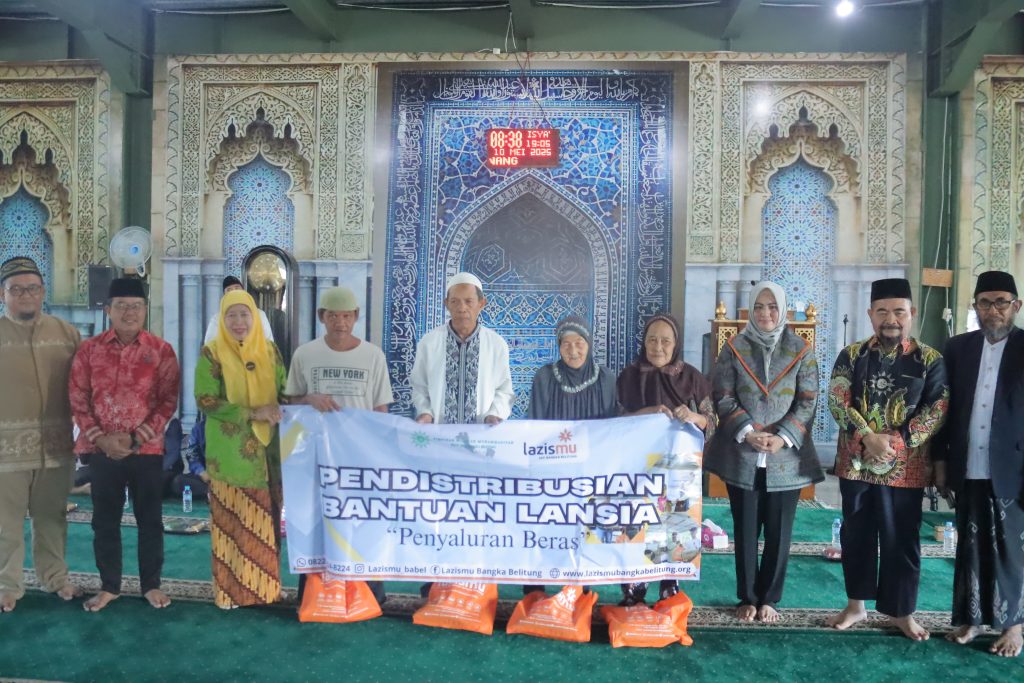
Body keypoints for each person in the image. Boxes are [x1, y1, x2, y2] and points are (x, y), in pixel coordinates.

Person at [825, 277, 948, 641]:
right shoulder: (851, 355)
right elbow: (837, 399)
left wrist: (893, 442)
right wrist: (867, 437)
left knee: (902, 539)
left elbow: (937, 408)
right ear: (870, 314)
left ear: (912, 313)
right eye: (882, 311)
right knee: (856, 535)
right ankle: (855, 606)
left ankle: (901, 612)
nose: (890, 319)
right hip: (857, 463)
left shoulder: (930, 360)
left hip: (905, 466)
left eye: (898, 311)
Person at [704, 281, 823, 623]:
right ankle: (748, 596)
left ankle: (769, 598)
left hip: (785, 457)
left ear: (782, 310)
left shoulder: (801, 350)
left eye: (772, 307)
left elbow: (808, 401)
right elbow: (722, 395)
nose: (766, 313)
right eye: (759, 306)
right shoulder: (734, 347)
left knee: (779, 531)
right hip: (743, 453)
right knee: (745, 529)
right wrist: (748, 432)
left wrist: (782, 438)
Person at [69, 277, 181, 612]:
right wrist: (101, 439)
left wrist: (135, 438)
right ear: (108, 310)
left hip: (146, 451)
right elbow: (78, 398)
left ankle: (151, 585)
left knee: (150, 520)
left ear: (145, 310)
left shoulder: (161, 350)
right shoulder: (89, 350)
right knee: (104, 520)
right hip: (102, 450)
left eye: (136, 306)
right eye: (121, 306)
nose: (129, 313)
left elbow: (168, 401)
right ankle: (110, 587)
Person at [935, 271, 1024, 657]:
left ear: (1016, 306)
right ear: (975, 307)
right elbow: (943, 409)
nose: (993, 310)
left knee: (1011, 548)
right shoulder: (958, 348)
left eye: (1001, 302)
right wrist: (940, 460)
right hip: (969, 463)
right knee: (969, 546)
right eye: (985, 302)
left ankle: (1014, 625)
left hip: (1014, 468)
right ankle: (971, 619)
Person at [286, 286, 393, 604]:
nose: (341, 323)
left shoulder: (373, 355)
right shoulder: (305, 354)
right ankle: (314, 594)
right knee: (316, 522)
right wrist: (309, 398)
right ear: (322, 317)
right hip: (317, 457)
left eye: (347, 316)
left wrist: (376, 452)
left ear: (356, 317)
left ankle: (370, 595)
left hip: (360, 458)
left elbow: (381, 409)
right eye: (333, 316)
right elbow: (290, 402)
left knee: (364, 522)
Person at [195, 289, 286, 609]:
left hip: (268, 452)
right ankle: (229, 593)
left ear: (254, 318)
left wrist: (299, 404)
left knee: (266, 522)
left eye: (244, 314)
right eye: (231, 315)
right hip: (230, 453)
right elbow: (205, 399)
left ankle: (265, 591)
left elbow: (284, 390)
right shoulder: (212, 353)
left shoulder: (270, 351)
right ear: (222, 320)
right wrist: (251, 412)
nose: (238, 322)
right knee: (232, 524)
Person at [616, 312, 716, 605]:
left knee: (672, 520)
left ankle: (669, 583)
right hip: (637, 467)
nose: (658, 347)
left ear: (676, 344)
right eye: (652, 340)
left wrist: (694, 416)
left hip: (677, 471)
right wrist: (645, 413)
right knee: (637, 520)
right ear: (643, 342)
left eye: (665, 341)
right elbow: (614, 421)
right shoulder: (628, 377)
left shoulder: (692, 378)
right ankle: (634, 586)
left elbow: (712, 421)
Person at [0, 257, 82, 612]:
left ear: (43, 291)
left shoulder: (66, 334)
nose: (25, 295)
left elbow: (85, 385)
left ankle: (56, 578)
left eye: (32, 288)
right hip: (5, 450)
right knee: (5, 523)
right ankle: (7, 585)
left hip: (56, 446)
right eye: (16, 289)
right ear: (3, 294)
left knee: (52, 518)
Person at [522, 315, 618, 595]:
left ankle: (579, 590)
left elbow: (614, 427)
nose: (573, 350)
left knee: (583, 529)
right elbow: (535, 424)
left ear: (589, 344)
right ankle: (536, 590)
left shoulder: (606, 379)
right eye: (566, 344)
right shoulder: (545, 377)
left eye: (579, 343)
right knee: (546, 528)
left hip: (590, 472)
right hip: (552, 470)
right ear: (558, 346)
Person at [410, 272, 513, 425]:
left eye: (469, 301)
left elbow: (504, 390)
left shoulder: (496, 344)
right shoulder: (429, 342)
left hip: (481, 434)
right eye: (454, 301)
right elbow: (419, 387)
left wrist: (494, 414)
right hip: (439, 433)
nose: (462, 308)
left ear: (481, 304)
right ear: (446, 304)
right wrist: (425, 412)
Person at [203, 276, 273, 344]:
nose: (234, 292)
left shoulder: (259, 314)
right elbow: (210, 345)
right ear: (224, 295)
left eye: (237, 288)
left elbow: (268, 342)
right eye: (229, 290)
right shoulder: (217, 318)